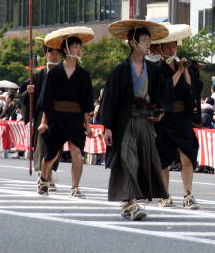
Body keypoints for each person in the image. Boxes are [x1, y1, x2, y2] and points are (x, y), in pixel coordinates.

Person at [100, 20, 172, 221]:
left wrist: (161, 110)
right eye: (144, 40)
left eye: (149, 40)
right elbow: (110, 99)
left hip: (145, 121)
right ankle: (131, 202)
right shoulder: (120, 69)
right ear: (132, 43)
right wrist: (107, 127)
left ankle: (127, 201)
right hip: (124, 122)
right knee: (127, 159)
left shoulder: (153, 68)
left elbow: (162, 94)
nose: (148, 44)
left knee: (142, 161)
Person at [36, 27, 95, 198]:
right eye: (76, 46)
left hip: (75, 118)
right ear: (66, 49)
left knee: (77, 153)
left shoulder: (84, 75)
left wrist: (88, 125)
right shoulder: (54, 73)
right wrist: (44, 121)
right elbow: (47, 99)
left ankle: (75, 188)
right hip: (56, 117)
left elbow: (86, 103)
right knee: (51, 155)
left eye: (79, 46)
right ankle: (43, 179)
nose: (79, 49)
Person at [152, 24, 201, 210]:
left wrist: (185, 70)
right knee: (163, 158)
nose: (172, 50)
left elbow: (193, 90)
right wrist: (179, 72)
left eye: (174, 46)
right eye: (168, 47)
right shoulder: (156, 68)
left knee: (187, 156)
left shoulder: (187, 66)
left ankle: (188, 194)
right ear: (162, 49)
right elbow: (164, 90)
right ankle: (164, 195)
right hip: (165, 118)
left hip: (182, 118)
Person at [19, 39, 63, 189]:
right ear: (46, 55)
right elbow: (22, 93)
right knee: (43, 145)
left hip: (58, 114)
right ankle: (46, 177)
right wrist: (28, 92)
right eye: (51, 52)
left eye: (57, 52)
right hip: (41, 115)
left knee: (55, 146)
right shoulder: (37, 75)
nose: (54, 55)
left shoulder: (64, 73)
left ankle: (48, 176)